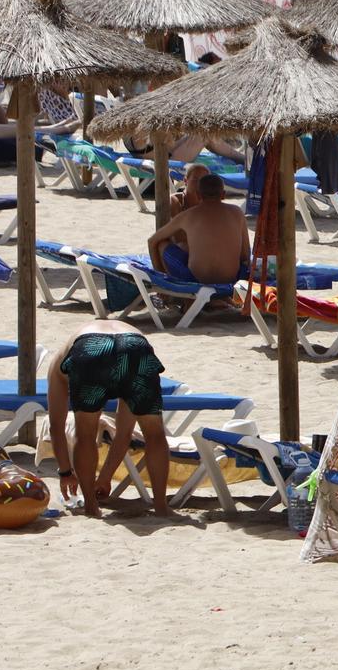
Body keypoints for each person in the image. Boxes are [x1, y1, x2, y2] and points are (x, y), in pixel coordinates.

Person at [47, 320, 171, 517]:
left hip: (90, 348)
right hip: (135, 346)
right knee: (154, 433)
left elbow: (55, 426)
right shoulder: (125, 336)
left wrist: (65, 472)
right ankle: (162, 507)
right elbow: (124, 433)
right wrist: (105, 477)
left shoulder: (58, 363)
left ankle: (90, 506)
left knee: (85, 433)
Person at [146, 172, 250, 285]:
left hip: (195, 280)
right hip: (232, 280)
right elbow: (245, 255)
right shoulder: (237, 213)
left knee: (162, 245)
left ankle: (163, 286)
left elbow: (152, 241)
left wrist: (159, 275)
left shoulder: (188, 215)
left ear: (198, 195)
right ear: (223, 194)